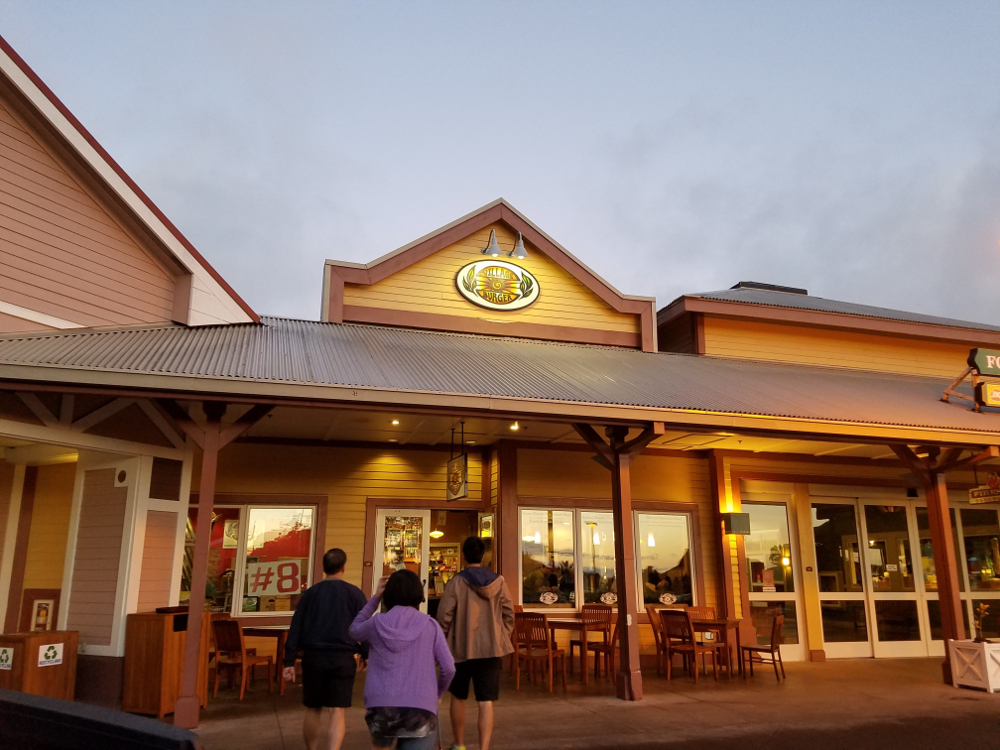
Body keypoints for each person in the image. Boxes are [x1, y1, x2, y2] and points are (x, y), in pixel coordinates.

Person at [350, 570, 456, 750]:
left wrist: (375, 598)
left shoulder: (376, 624)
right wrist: (437, 695)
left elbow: (354, 630)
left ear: (388, 594)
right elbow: (449, 668)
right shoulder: (430, 625)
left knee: (380, 745)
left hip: (381, 706)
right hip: (420, 708)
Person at [283, 548, 368, 750]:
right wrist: (365, 653)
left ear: (324, 568)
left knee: (313, 709)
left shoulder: (310, 594)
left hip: (314, 657)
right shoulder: (355, 594)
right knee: (337, 710)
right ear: (343, 567)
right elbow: (365, 627)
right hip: (343, 658)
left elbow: (296, 626)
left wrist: (289, 660)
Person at [436, 536, 514, 750]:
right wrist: (501, 636)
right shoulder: (499, 581)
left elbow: (443, 617)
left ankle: (459, 744)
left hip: (460, 648)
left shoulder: (456, 582)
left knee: (457, 696)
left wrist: (441, 643)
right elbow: (509, 613)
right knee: (486, 701)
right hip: (491, 649)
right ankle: (483, 748)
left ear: (463, 556)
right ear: (483, 556)